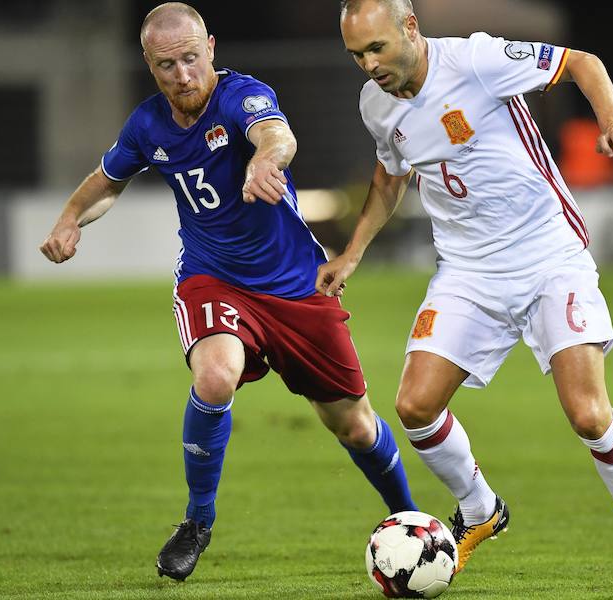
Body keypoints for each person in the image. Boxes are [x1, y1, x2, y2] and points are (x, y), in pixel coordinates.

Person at [39, 2, 417, 583]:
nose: (182, 75)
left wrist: (264, 161)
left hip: (295, 284)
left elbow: (276, 135)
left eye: (191, 58)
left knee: (356, 426)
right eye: (166, 66)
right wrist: (70, 219)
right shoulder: (147, 125)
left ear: (211, 47)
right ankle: (197, 521)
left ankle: (410, 522)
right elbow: (106, 180)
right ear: (150, 66)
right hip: (212, 277)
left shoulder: (242, 95)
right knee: (214, 376)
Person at [321, 0, 613, 590]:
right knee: (414, 407)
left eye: (376, 48)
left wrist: (610, 119)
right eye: (357, 54)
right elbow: (390, 174)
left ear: (410, 28)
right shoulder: (374, 104)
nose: (369, 65)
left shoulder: (479, 59)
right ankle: (482, 508)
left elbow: (581, 62)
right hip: (467, 272)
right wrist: (352, 253)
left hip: (548, 256)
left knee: (588, 414)